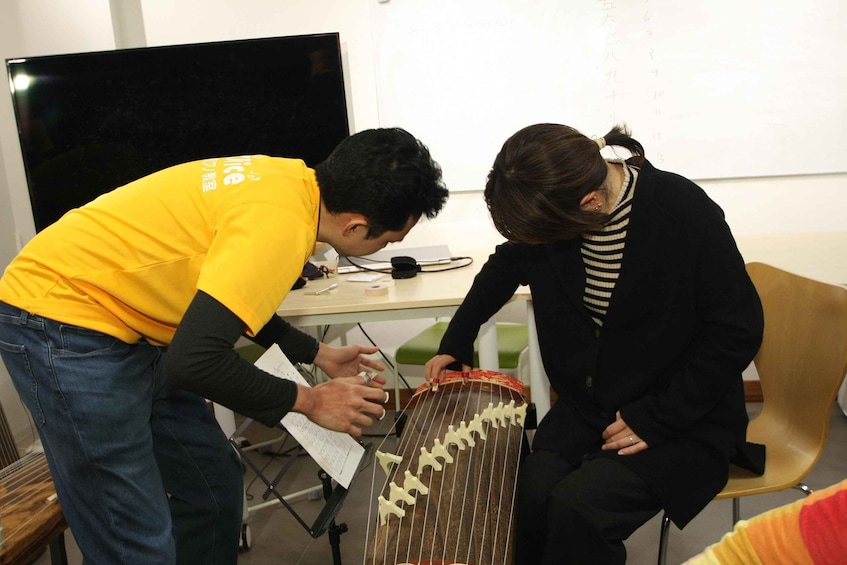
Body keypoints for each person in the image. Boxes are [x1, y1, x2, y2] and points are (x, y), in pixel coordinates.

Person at [0, 127, 448, 564]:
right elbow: (194, 363)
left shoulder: (292, 183)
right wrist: (310, 400)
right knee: (132, 536)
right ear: (356, 226)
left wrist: (319, 354)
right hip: (59, 317)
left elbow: (233, 295)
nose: (388, 246)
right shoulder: (281, 229)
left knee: (211, 486)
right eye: (389, 240)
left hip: (125, 318)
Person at [424, 123, 764, 564]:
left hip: (682, 414)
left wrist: (658, 417)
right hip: (591, 405)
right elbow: (506, 265)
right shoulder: (563, 209)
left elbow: (737, 328)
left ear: (591, 202)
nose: (535, 244)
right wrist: (458, 337)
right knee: (527, 494)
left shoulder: (681, 212)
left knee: (578, 508)